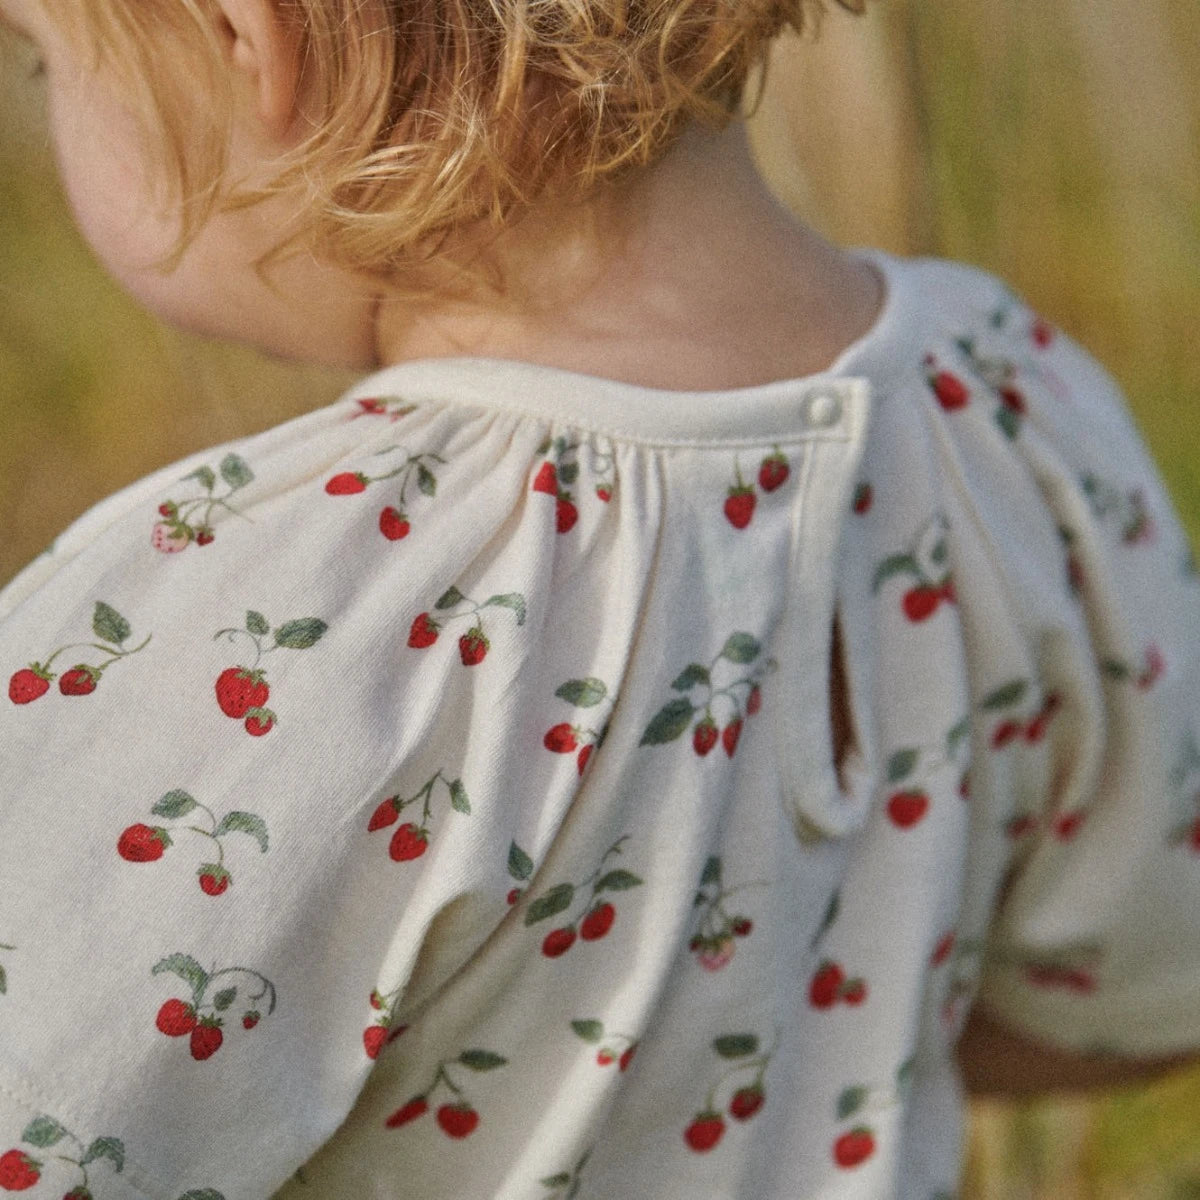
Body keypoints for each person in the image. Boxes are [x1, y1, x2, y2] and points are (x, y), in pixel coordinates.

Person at [0, 1, 1197, 1197]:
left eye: (45, 56)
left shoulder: (257, 619)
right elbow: (1148, 984)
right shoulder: (1012, 415)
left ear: (248, 37)